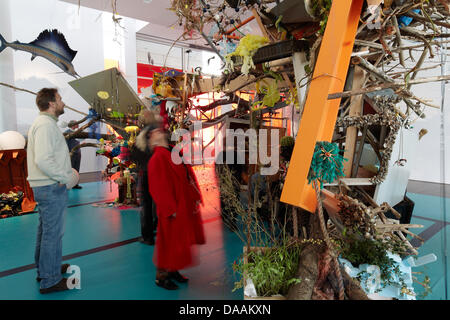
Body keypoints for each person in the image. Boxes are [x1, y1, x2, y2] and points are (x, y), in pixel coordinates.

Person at [27, 88, 77, 294]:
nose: (63, 103)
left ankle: (46, 269)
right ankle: (50, 280)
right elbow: (43, 159)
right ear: (51, 104)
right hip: (50, 185)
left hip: (45, 185)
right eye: (60, 99)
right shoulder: (45, 126)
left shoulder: (46, 124)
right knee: (52, 234)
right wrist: (66, 178)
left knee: (46, 231)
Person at [147, 126, 205, 290]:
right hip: (171, 210)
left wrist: (195, 196)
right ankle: (161, 277)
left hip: (182, 204)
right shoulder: (158, 157)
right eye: (154, 133)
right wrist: (169, 208)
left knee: (177, 243)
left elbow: (188, 174)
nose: (157, 133)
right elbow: (158, 186)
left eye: (159, 131)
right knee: (167, 244)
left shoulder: (172, 152)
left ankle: (173, 270)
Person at [129, 110, 160, 245]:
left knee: (146, 204)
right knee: (158, 201)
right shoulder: (160, 131)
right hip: (158, 171)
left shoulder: (143, 134)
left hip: (148, 171)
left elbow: (135, 154)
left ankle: (147, 236)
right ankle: (157, 227)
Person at [64, 121, 82, 189]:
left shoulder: (77, 132)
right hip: (71, 153)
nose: (78, 125)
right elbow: (65, 144)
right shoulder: (67, 132)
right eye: (76, 124)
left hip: (78, 153)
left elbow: (79, 140)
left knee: (77, 169)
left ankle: (75, 184)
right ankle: (68, 184)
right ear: (72, 125)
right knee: (70, 169)